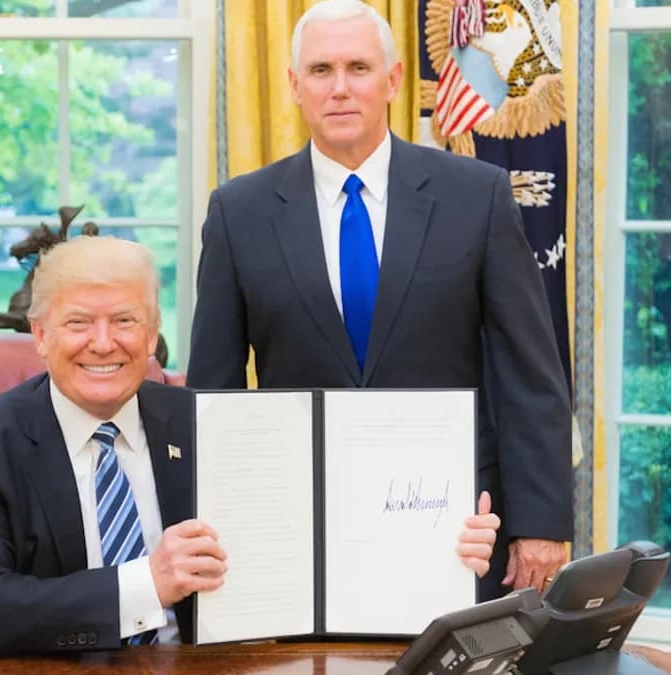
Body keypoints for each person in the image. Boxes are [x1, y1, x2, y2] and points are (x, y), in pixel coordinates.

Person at [0, 235, 503, 656]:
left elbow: (320, 548)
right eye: (79, 323)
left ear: (152, 335)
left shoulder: (219, 424)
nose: (104, 344)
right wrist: (147, 584)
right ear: (40, 335)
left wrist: (435, 547)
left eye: (125, 321)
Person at [187, 0, 572, 601]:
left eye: (358, 68)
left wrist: (541, 523)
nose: (339, 89)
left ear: (392, 80)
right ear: (294, 85)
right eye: (320, 71)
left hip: (458, 527)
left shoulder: (477, 196)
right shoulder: (239, 212)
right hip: (299, 524)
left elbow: (529, 370)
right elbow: (215, 392)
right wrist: (223, 527)